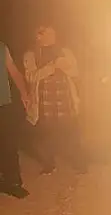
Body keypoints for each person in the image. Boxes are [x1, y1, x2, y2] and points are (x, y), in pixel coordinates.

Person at [23, 25, 87, 174]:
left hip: (64, 100)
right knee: (46, 134)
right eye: (45, 33)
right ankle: (49, 164)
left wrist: (63, 66)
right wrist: (52, 66)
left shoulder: (65, 52)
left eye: (52, 32)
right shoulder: (30, 54)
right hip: (45, 102)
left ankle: (79, 162)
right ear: (38, 36)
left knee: (71, 131)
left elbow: (75, 72)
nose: (50, 36)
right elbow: (31, 77)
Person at [0, 41, 31, 198]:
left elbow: (14, 72)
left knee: (8, 144)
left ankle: (13, 183)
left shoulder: (2, 47)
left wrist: (24, 94)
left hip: (3, 104)